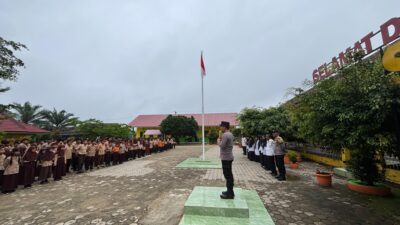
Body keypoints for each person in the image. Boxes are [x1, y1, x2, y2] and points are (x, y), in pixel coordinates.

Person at [218, 121, 235, 199]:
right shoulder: (230, 134)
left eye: (221, 126)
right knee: (229, 175)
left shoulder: (225, 135)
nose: (220, 128)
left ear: (224, 127)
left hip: (226, 158)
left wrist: (218, 140)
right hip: (229, 157)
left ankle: (230, 194)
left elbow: (222, 146)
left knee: (228, 176)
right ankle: (229, 191)